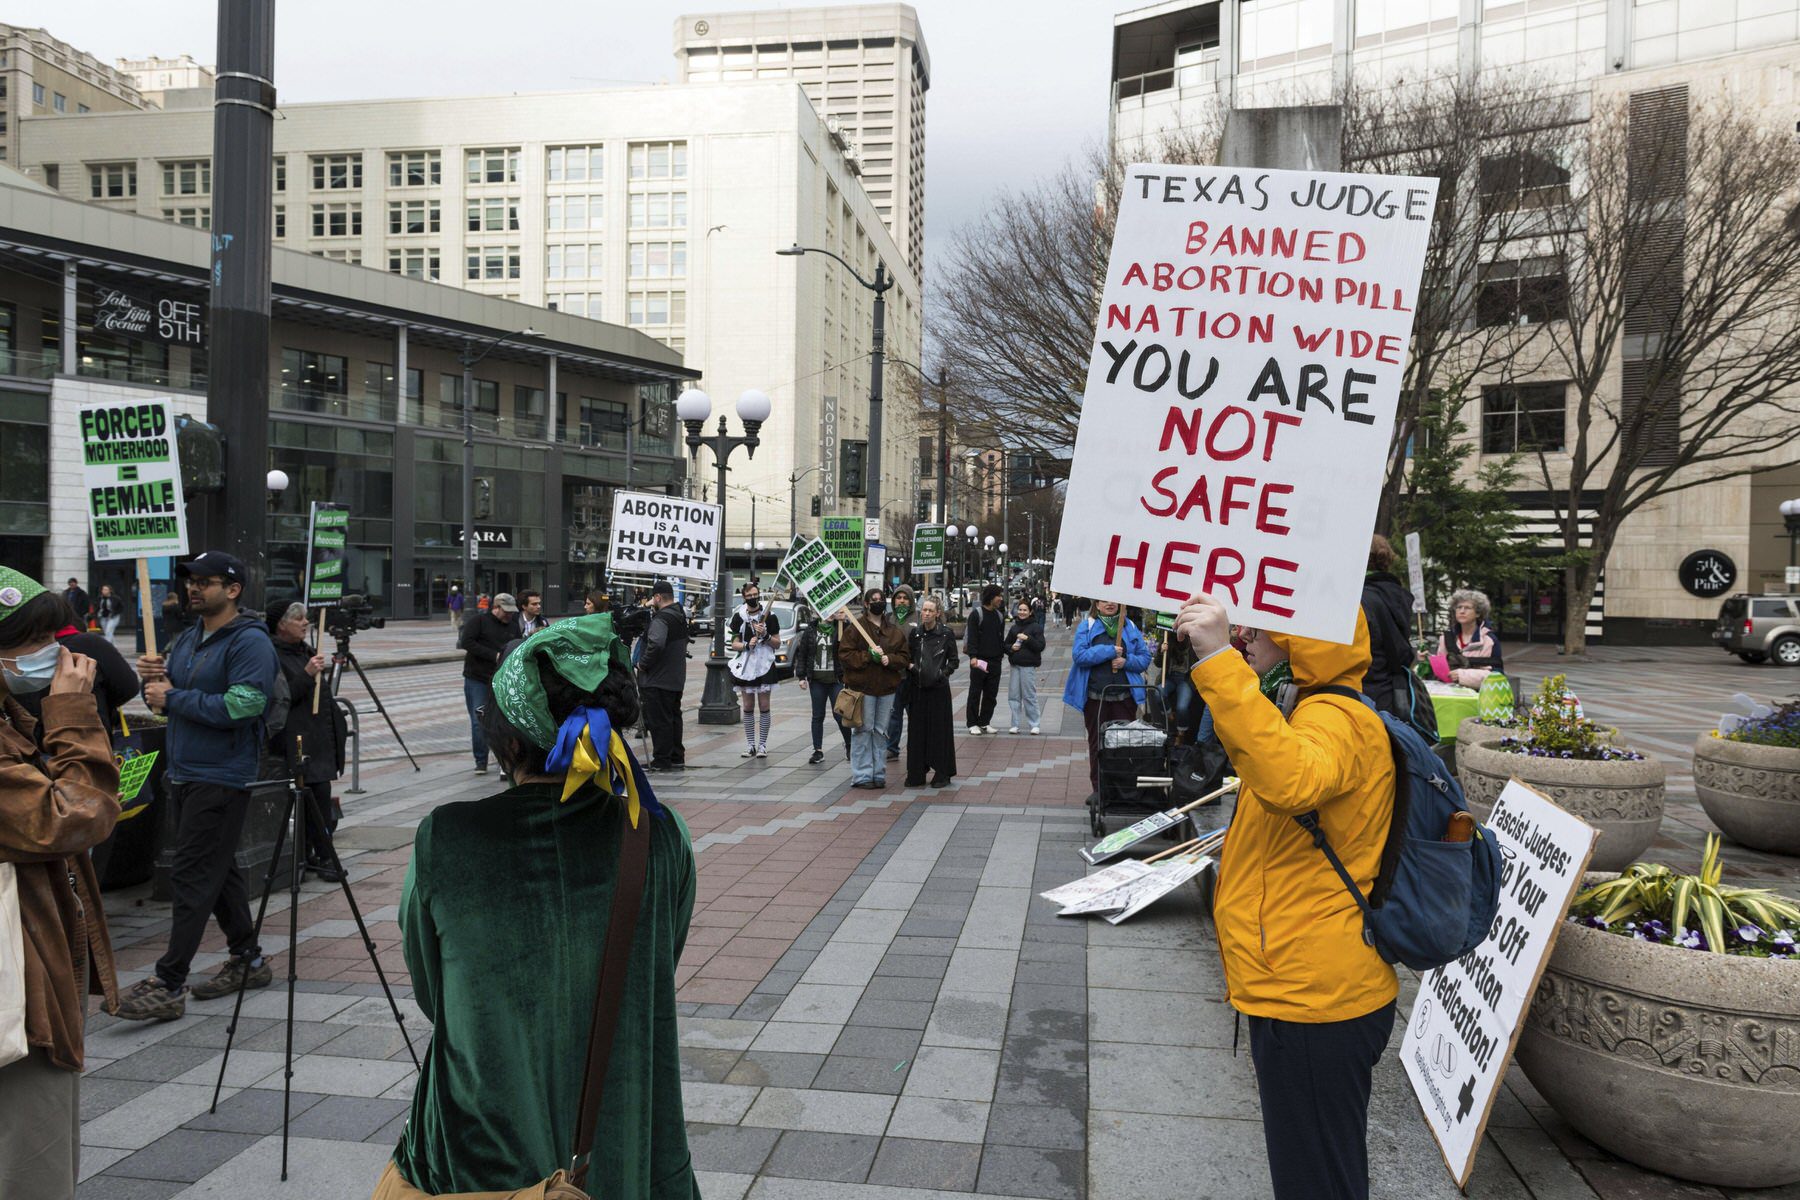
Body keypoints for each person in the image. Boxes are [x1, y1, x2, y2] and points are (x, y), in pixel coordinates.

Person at [378, 615, 700, 1199]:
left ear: (508, 741)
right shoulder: (658, 835)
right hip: (621, 1123)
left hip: (481, 1147)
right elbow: (660, 956)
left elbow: (431, 989)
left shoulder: (447, 839)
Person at [1175, 592, 1397, 1200]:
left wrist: (1219, 658)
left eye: (1263, 624)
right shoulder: (1314, 709)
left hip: (1313, 998)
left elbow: (1290, 780)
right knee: (1316, 1171)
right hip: (1302, 987)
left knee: (1317, 1181)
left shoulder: (1337, 718)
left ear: (1306, 639)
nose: (1247, 632)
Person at [0, 571, 121, 1200]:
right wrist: (72, 713)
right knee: (33, 1170)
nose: (59, 653)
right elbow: (75, 819)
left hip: (24, 980)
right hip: (17, 997)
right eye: (36, 639)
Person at [118, 552, 279, 1022]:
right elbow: (173, 702)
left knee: (191, 874)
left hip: (221, 775)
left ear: (232, 590)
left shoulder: (249, 643)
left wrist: (174, 696)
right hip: (185, 771)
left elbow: (245, 705)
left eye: (205, 582)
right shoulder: (188, 638)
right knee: (219, 868)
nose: (193, 588)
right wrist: (157, 686)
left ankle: (169, 982)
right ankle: (247, 959)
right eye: (191, 580)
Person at [266, 602, 349, 883]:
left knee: (319, 794)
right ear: (281, 624)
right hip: (295, 739)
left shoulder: (305, 650)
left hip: (317, 737)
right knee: (310, 796)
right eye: (298, 619)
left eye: (305, 618)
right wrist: (306, 674)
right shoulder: (272, 655)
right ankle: (316, 857)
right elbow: (280, 699)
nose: (305, 623)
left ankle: (315, 854)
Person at [8, 595, 138, 738]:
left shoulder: (87, 645)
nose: (58, 649)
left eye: (53, 637)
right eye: (40, 639)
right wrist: (72, 707)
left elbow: (127, 687)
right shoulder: (88, 644)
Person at [1062, 598, 1152, 793]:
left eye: (1113, 600)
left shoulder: (1130, 627)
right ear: (1097, 604)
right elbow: (1079, 656)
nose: (1109, 604)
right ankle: (1099, 791)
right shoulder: (1088, 626)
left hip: (1125, 699)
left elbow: (1145, 659)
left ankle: (1120, 791)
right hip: (1096, 699)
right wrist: (1108, 651)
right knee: (1097, 745)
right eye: (1104, 600)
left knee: (1122, 746)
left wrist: (1125, 661)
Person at [1361, 536, 1436, 739]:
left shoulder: (1361, 599)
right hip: (1390, 696)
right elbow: (1399, 649)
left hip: (1363, 693)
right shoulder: (1394, 594)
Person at [836, 588, 909, 789]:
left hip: (886, 689)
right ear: (866, 604)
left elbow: (904, 657)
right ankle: (861, 775)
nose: (878, 603)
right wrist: (868, 655)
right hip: (863, 689)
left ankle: (878, 773)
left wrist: (889, 659)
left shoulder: (893, 631)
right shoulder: (856, 629)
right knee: (862, 730)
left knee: (880, 731)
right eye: (874, 600)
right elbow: (845, 656)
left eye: (881, 599)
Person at [458, 591, 517, 775]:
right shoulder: (479, 622)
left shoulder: (513, 625)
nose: (509, 615)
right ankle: (481, 760)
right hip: (478, 678)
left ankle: (503, 760)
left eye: (511, 611)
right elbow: (466, 642)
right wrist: (494, 655)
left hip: (502, 678)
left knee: (505, 720)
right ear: (496, 608)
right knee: (479, 719)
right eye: (505, 611)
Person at [903, 594, 958, 788]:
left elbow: (954, 660)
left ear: (938, 613)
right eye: (923, 610)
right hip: (918, 689)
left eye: (930, 611)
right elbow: (909, 656)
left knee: (939, 731)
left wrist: (943, 674)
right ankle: (916, 772)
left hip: (938, 689)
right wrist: (911, 668)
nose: (925, 614)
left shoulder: (946, 634)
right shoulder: (916, 634)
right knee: (917, 731)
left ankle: (942, 772)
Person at [636, 581, 689, 772]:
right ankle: (676, 757)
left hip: (658, 679)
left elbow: (656, 644)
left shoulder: (662, 618)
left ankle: (662, 760)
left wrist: (643, 663)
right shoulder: (679, 615)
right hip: (675, 678)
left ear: (658, 597)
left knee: (660, 720)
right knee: (673, 718)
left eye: (653, 598)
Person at [792, 603, 851, 764]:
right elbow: (803, 654)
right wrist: (801, 677)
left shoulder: (840, 628)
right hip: (817, 680)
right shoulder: (810, 631)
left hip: (835, 680)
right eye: (826, 611)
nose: (830, 614)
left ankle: (849, 745)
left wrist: (843, 621)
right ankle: (817, 750)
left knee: (839, 714)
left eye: (832, 611)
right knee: (817, 715)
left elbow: (851, 641)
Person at [727, 582, 781, 758]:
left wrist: (765, 636)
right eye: (749, 595)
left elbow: (777, 643)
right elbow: (733, 643)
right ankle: (750, 744)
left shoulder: (769, 616)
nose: (753, 598)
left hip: (764, 664)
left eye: (755, 594)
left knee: (764, 705)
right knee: (748, 705)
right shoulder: (739, 617)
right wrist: (745, 645)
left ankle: (762, 745)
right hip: (746, 664)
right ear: (744, 597)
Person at [1434, 588, 1502, 689]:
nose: (1462, 611)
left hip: (1479, 698)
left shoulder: (1489, 640)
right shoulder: (1446, 638)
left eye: (1467, 608)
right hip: (1448, 695)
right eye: (1459, 607)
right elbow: (1439, 670)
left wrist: (1463, 676)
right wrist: (1424, 661)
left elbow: (1497, 676)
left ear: (1478, 613)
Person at [963, 585, 1006, 735]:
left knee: (991, 694)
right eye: (998, 596)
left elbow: (1000, 638)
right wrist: (973, 656)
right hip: (979, 661)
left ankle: (984, 722)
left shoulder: (999, 616)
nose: (1001, 599)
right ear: (990, 597)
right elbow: (972, 638)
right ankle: (972, 723)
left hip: (995, 660)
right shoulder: (977, 614)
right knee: (975, 692)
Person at [885, 585, 919, 762]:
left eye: (905, 598)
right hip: (893, 676)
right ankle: (892, 748)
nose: (902, 601)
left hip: (912, 676)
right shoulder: (888, 619)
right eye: (899, 598)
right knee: (893, 715)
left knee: (915, 714)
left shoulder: (918, 618)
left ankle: (917, 746)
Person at [1004, 597, 1046, 735]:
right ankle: (1015, 724)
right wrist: (1011, 648)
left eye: (1025, 610)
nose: (1022, 612)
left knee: (1029, 695)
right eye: (1020, 610)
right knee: (1014, 695)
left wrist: (1027, 639)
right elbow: (1005, 645)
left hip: (1028, 666)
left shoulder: (1036, 627)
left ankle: (1035, 724)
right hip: (1015, 665)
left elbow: (1040, 646)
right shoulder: (1014, 628)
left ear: (1030, 612)